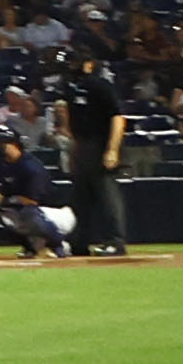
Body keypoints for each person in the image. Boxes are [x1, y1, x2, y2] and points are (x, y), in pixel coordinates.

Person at [57, 56, 131, 261]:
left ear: (88, 63)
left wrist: (112, 149)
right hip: (83, 144)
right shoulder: (71, 89)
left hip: (100, 143)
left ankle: (115, 242)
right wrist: (74, 150)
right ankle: (79, 242)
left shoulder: (99, 85)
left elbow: (117, 117)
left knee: (107, 194)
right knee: (80, 197)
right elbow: (74, 124)